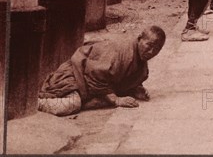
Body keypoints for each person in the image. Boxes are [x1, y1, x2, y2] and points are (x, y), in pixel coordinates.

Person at [38, 26, 166, 117]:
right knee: (71, 105)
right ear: (139, 39)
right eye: (149, 45)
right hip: (77, 74)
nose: (151, 52)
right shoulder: (121, 52)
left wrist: (136, 89)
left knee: (98, 102)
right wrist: (116, 100)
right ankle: (35, 104)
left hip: (94, 82)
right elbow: (96, 76)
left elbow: (124, 77)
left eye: (157, 49)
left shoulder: (140, 62)